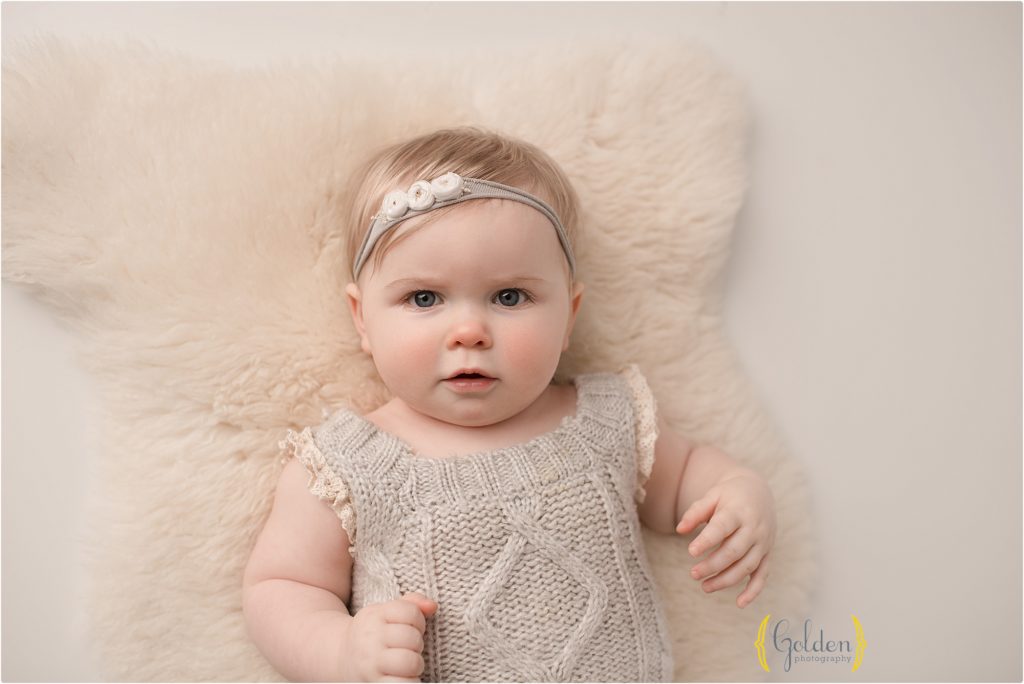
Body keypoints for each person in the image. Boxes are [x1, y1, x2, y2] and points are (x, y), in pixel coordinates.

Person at [242, 126, 776, 682]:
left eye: (509, 296)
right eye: (424, 298)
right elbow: (282, 587)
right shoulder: (348, 465)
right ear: (363, 321)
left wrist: (740, 492)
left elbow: (688, 475)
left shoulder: (606, 423)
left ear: (568, 316)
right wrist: (341, 650)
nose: (469, 330)